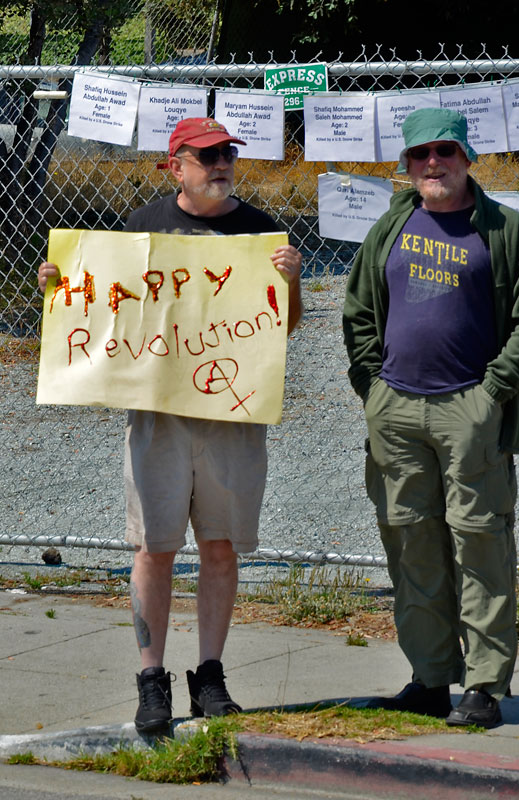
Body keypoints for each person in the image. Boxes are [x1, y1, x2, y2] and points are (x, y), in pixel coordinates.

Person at [38, 117, 303, 735]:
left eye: (226, 155)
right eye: (205, 155)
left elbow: (282, 328)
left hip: (231, 414)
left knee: (219, 546)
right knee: (154, 548)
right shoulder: (142, 227)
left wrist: (289, 283)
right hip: (158, 416)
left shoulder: (259, 231)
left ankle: (209, 676)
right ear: (174, 166)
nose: (220, 164)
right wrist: (59, 290)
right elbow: (107, 313)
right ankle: (150, 681)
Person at [342, 107, 519, 728]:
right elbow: (358, 311)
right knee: (411, 542)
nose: (432, 163)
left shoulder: (506, 230)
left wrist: (492, 391)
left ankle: (485, 687)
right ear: (406, 165)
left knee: (480, 542)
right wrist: (372, 386)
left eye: (444, 151)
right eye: (419, 155)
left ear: (466, 157)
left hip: (470, 406)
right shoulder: (392, 226)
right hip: (396, 409)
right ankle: (430, 677)